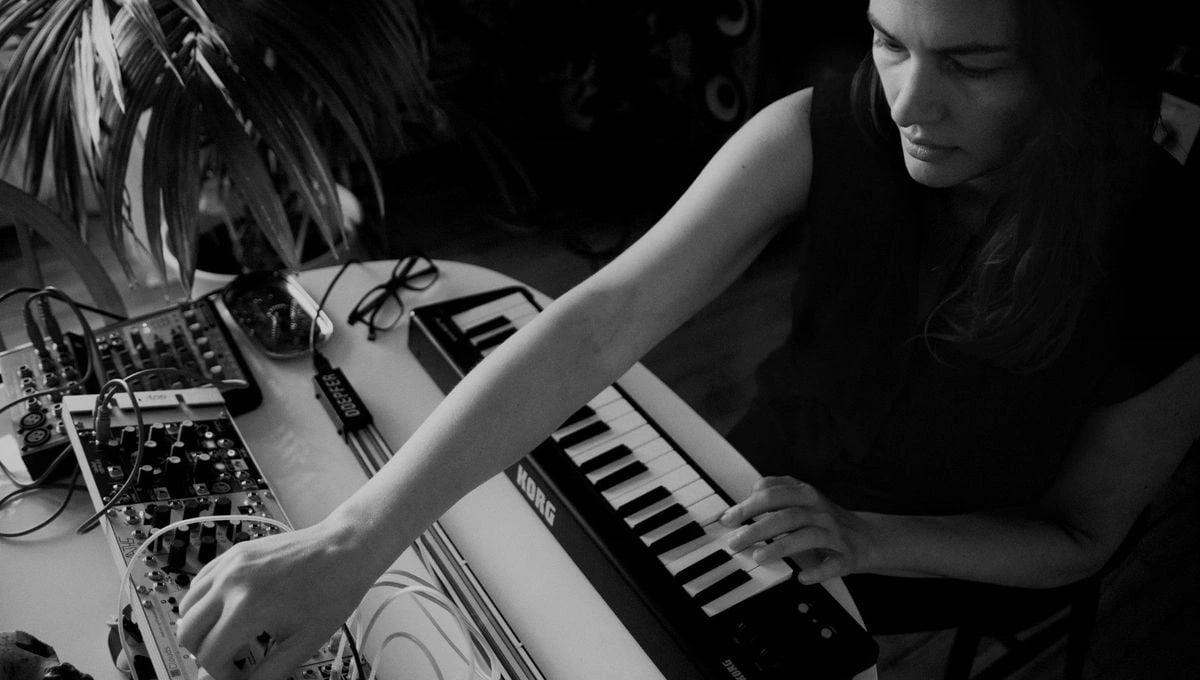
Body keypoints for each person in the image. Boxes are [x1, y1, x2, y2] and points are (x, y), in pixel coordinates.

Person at [178, 0, 1199, 677]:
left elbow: (1081, 538)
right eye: (892, 40)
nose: (909, 102)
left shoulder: (1171, 253)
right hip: (764, 485)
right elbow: (600, 318)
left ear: (1078, 71)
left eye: (971, 64)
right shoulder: (828, 122)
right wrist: (352, 535)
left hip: (934, 551)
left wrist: (872, 535)